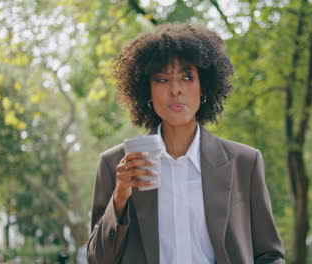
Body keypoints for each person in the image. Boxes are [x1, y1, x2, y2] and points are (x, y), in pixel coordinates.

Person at [87, 23, 285, 264]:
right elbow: (97, 259)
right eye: (162, 79)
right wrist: (119, 198)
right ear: (146, 91)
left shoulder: (244, 163)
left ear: (205, 87)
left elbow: (269, 254)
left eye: (187, 77)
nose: (175, 89)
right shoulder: (114, 165)